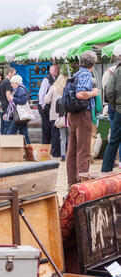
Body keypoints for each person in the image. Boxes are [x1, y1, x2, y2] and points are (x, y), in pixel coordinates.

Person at [66, 51, 99, 188]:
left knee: (72, 150)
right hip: (82, 114)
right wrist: (94, 93)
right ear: (93, 63)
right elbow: (80, 94)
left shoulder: (76, 74)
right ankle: (82, 185)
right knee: (83, 150)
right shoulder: (86, 74)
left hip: (72, 114)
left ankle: (71, 183)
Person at [101, 62, 121, 172]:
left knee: (113, 141)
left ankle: (105, 171)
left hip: (119, 111)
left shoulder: (117, 71)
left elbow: (108, 91)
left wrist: (115, 105)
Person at [45, 74, 69, 161]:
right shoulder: (67, 89)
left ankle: (56, 153)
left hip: (55, 116)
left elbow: (46, 100)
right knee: (67, 136)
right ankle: (66, 153)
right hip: (66, 116)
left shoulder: (53, 88)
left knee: (55, 135)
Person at [38, 64, 59, 145]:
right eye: (54, 70)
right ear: (50, 71)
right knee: (46, 127)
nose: (56, 71)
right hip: (44, 106)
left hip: (49, 106)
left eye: (57, 70)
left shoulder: (55, 79)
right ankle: (45, 145)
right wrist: (42, 105)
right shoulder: (47, 79)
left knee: (50, 126)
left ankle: (50, 145)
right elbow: (42, 93)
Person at [7, 75, 31, 144]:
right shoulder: (20, 89)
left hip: (19, 116)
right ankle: (29, 150)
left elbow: (23, 100)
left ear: (16, 83)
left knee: (10, 134)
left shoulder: (20, 89)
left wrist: (13, 98)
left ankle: (8, 150)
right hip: (21, 116)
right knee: (24, 135)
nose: (11, 85)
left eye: (12, 83)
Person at [0, 67, 17, 135]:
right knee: (7, 127)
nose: (15, 76)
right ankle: (6, 143)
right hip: (6, 107)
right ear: (9, 73)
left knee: (3, 127)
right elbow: (8, 96)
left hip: (2, 106)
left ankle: (1, 143)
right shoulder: (8, 82)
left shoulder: (3, 82)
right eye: (14, 74)